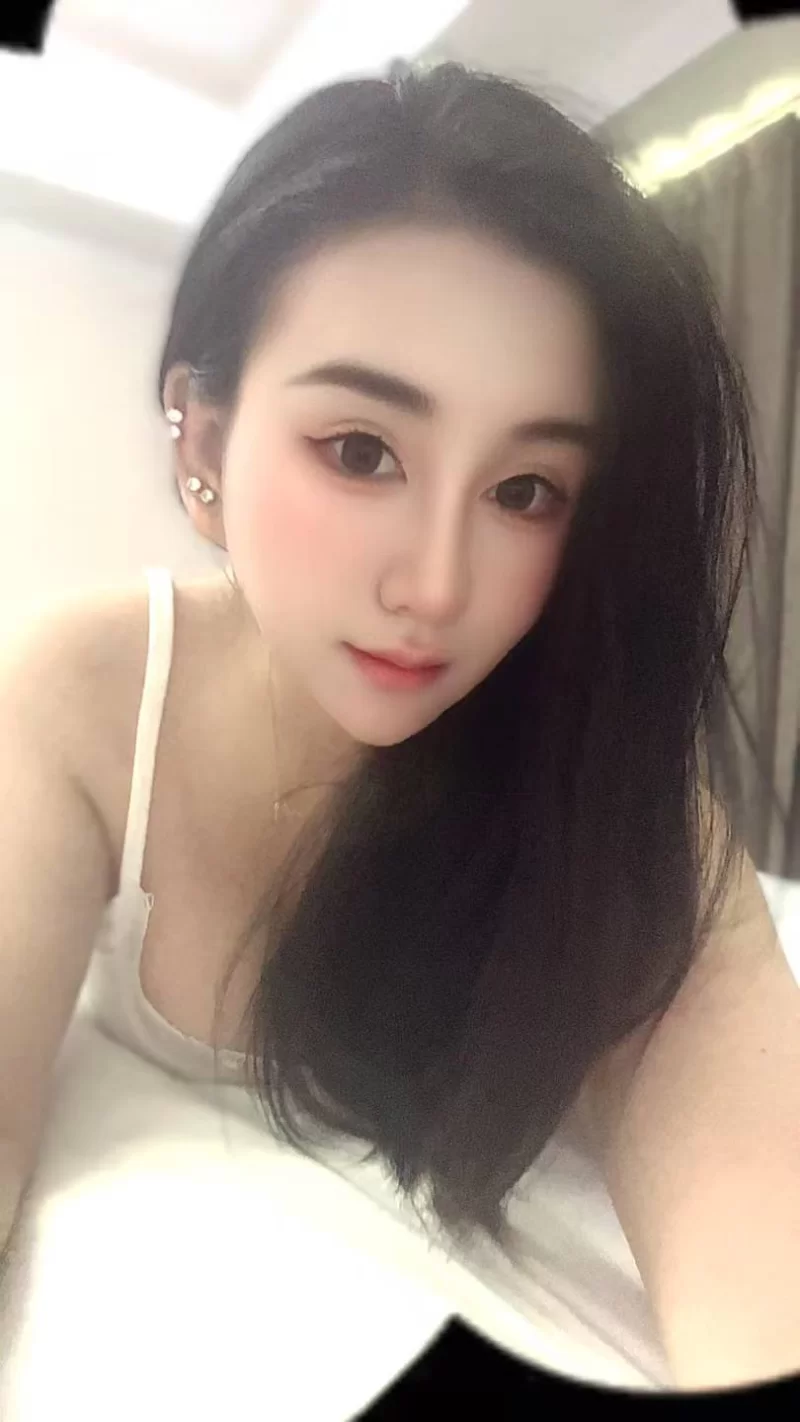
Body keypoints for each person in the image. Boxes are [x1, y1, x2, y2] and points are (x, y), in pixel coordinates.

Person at [2, 62, 799, 1391]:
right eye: (362, 451)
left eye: (527, 489)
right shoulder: (84, 691)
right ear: (204, 441)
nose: (436, 586)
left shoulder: (619, 814)